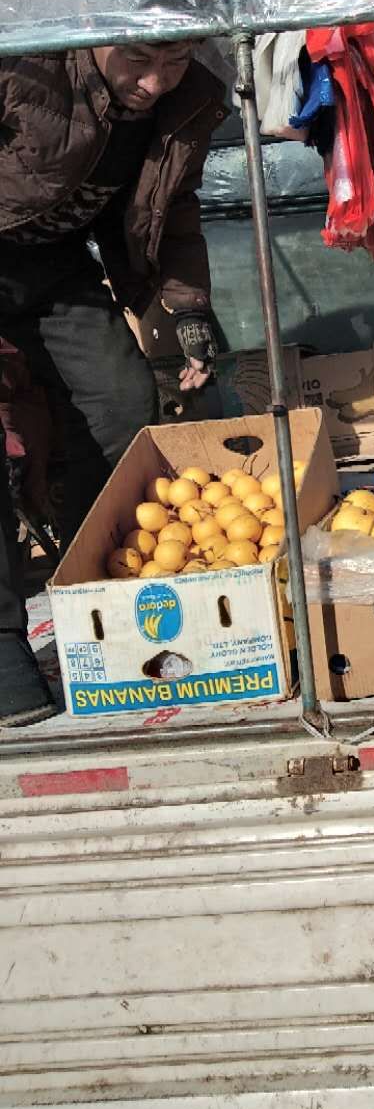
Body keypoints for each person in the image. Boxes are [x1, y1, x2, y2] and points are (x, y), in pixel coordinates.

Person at [0, 41, 228, 726]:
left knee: (122, 402)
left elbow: (173, 208)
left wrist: (188, 310)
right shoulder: (23, 63)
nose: (154, 82)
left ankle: (92, 594)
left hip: (54, 265)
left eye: (176, 61)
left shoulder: (192, 100)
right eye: (137, 57)